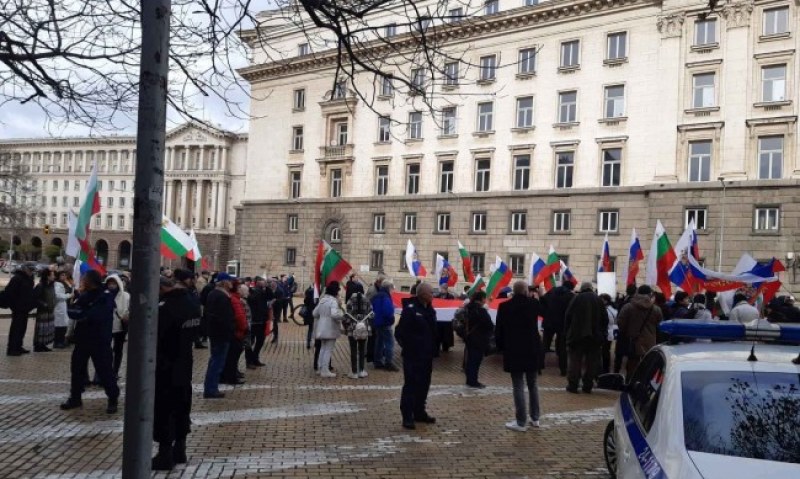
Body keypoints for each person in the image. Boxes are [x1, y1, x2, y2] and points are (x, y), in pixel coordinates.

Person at [150, 274, 201, 471]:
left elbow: (155, 333)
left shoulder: (166, 306)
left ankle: (165, 454)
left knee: (164, 409)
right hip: (185, 362)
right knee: (182, 404)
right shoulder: (191, 302)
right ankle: (180, 449)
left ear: (162, 288)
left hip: (165, 364)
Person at [60, 270, 120, 413]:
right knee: (77, 369)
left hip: (100, 340)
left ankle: (113, 398)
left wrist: (84, 312)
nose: (82, 282)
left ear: (91, 281)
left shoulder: (105, 295)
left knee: (104, 370)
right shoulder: (85, 295)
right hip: (82, 339)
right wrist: (83, 312)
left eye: (84, 279)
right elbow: (73, 311)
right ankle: (75, 398)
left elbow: (95, 315)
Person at [495, 281, 543, 432]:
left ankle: (521, 421)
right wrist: (541, 295)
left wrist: (501, 347)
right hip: (532, 349)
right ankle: (535, 418)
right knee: (533, 384)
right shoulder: (533, 304)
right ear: (526, 291)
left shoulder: (504, 306)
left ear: (514, 292)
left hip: (513, 349)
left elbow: (499, 331)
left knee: (518, 386)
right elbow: (548, 312)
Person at [395, 282, 437, 430]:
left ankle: (419, 412)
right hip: (413, 356)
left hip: (427, 356)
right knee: (411, 385)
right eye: (431, 293)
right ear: (422, 294)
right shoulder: (410, 310)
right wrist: (410, 347)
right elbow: (400, 333)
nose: (433, 295)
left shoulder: (430, 310)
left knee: (424, 385)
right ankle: (407, 416)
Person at [564, 283, 607, 394]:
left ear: (582, 289)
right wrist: (602, 334)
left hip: (577, 336)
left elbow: (568, 316)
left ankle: (573, 385)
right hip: (595, 337)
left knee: (575, 361)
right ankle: (588, 385)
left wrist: (567, 333)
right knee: (591, 362)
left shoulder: (576, 299)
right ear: (591, 289)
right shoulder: (599, 300)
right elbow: (605, 319)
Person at [616, 285, 663, 377]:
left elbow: (620, 324)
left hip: (633, 341)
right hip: (650, 342)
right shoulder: (656, 309)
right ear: (650, 294)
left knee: (632, 366)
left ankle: (631, 386)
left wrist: (627, 332)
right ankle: (644, 386)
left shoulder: (628, 307)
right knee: (648, 366)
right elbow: (660, 326)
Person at [202, 273, 235, 399]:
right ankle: (211, 389)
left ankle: (211, 387)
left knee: (215, 361)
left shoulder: (214, 294)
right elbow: (224, 318)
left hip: (215, 333)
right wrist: (230, 330)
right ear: (224, 282)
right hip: (221, 334)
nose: (231, 283)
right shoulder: (221, 296)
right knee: (217, 362)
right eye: (229, 281)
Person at [541, 280, 575, 376]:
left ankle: (538, 366)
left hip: (549, 322)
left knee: (544, 345)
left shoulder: (551, 292)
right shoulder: (571, 296)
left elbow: (542, 302)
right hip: (562, 324)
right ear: (571, 288)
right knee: (562, 348)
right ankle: (563, 370)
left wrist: (545, 315)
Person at [312, 281, 344, 378]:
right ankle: (325, 370)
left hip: (321, 327)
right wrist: (342, 315)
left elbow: (314, 313)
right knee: (328, 350)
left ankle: (320, 367)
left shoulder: (322, 300)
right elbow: (334, 314)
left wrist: (323, 316)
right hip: (330, 328)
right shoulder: (333, 301)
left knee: (322, 348)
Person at [463, 291, 494, 389]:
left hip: (469, 337)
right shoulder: (481, 310)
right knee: (475, 360)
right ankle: (473, 381)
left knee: (470, 359)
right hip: (479, 338)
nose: (485, 300)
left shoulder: (467, 308)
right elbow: (489, 324)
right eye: (484, 298)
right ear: (481, 299)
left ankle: (469, 379)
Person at [103, 274, 130, 377]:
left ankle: (115, 371)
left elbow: (129, 308)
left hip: (120, 326)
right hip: (107, 326)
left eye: (114, 283)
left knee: (118, 350)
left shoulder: (126, 296)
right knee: (106, 350)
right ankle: (106, 370)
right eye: (109, 283)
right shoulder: (104, 295)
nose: (111, 285)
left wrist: (126, 316)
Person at [221, 283, 248, 384]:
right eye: (240, 287)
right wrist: (244, 327)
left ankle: (228, 375)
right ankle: (231, 377)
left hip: (236, 331)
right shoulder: (234, 300)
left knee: (232, 356)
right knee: (232, 356)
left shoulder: (233, 298)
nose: (242, 289)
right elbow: (239, 316)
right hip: (237, 332)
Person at [371, 279, 399, 371]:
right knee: (390, 343)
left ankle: (378, 361)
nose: (393, 291)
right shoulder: (386, 297)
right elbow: (387, 311)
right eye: (392, 288)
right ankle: (388, 363)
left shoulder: (377, 295)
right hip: (385, 322)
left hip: (377, 322)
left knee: (379, 342)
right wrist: (391, 319)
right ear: (389, 288)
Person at [344, 291, 372, 379]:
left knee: (353, 350)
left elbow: (347, 316)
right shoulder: (367, 300)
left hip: (353, 328)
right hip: (363, 328)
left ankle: (354, 372)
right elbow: (371, 314)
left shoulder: (350, 300)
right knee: (362, 349)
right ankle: (361, 371)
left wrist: (347, 324)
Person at [245, 277, 269, 368]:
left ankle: (255, 358)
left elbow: (271, 295)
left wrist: (266, 287)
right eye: (261, 282)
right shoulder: (252, 292)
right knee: (250, 342)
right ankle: (249, 361)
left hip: (261, 320)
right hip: (253, 321)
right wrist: (258, 289)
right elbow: (252, 299)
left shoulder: (263, 291)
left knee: (260, 340)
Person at [32, 269, 57, 352]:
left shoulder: (51, 285)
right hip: (43, 311)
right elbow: (35, 298)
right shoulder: (40, 285)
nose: (54, 277)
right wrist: (44, 304)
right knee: (41, 329)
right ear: (47, 276)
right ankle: (38, 345)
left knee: (46, 329)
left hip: (50, 311)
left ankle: (43, 344)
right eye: (52, 275)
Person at [53, 271, 74, 349]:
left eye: (65, 275)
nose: (64, 277)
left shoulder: (65, 284)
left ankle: (61, 341)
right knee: (59, 326)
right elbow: (58, 295)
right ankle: (57, 342)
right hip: (59, 307)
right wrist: (68, 296)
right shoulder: (57, 285)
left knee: (63, 325)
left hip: (63, 306)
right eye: (62, 275)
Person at [433, 285, 455, 355]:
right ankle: (437, 347)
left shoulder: (451, 296)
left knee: (447, 334)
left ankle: (446, 347)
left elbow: (452, 305)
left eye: (444, 289)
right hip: (439, 319)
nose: (443, 290)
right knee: (438, 333)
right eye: (442, 288)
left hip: (447, 319)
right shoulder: (436, 296)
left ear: (446, 289)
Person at [599, 293, 618, 375]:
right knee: (607, 350)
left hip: (605, 332)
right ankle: (606, 368)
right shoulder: (614, 309)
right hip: (611, 333)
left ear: (605, 301)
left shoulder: (605, 310)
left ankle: (604, 368)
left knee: (604, 351)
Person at [302, 283, 317, 350]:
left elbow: (305, 301)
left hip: (310, 312)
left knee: (310, 328)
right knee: (316, 328)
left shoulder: (308, 291)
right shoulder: (320, 291)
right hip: (317, 312)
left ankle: (308, 343)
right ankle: (316, 343)